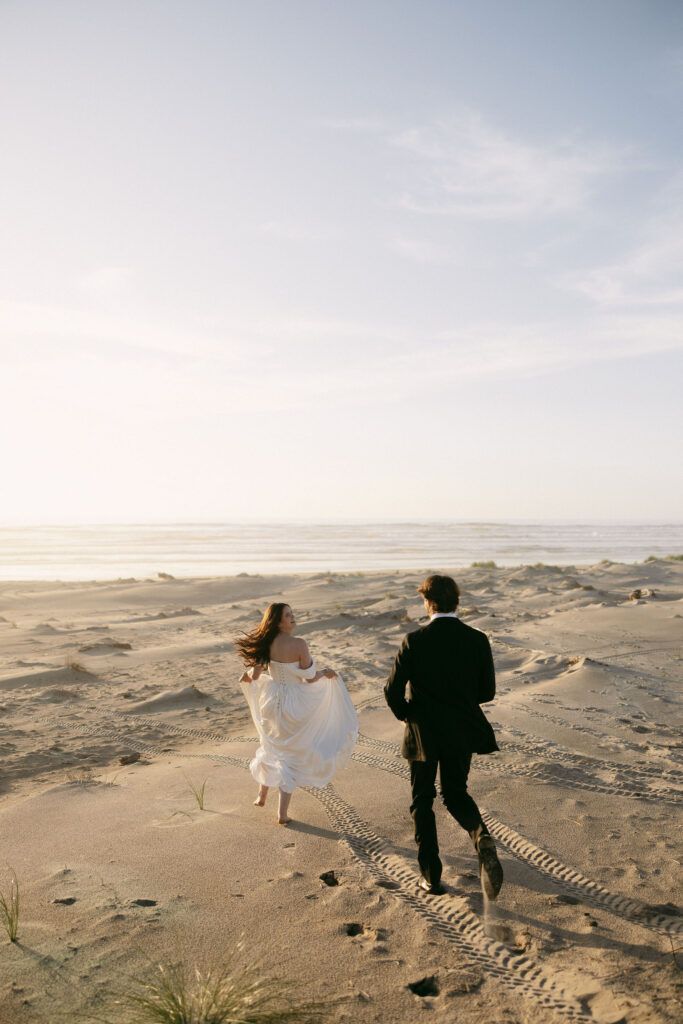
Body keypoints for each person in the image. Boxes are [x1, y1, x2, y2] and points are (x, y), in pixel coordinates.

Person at [384, 574, 503, 899]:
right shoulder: (477, 639)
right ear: (456, 601)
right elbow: (487, 692)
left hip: (423, 730)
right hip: (461, 727)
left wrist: (406, 712)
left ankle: (431, 878)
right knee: (455, 793)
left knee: (423, 799)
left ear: (427, 601)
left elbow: (392, 691)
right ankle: (480, 836)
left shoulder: (414, 640)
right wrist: (459, 699)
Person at [235, 603, 358, 824]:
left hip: (270, 700)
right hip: (294, 702)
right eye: (288, 615)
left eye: (293, 614)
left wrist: (246, 674)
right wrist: (325, 673)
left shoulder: (265, 644)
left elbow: (254, 676)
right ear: (278, 621)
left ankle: (261, 795)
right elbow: (309, 678)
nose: (293, 618)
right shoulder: (299, 644)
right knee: (290, 754)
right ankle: (282, 814)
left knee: (272, 745)